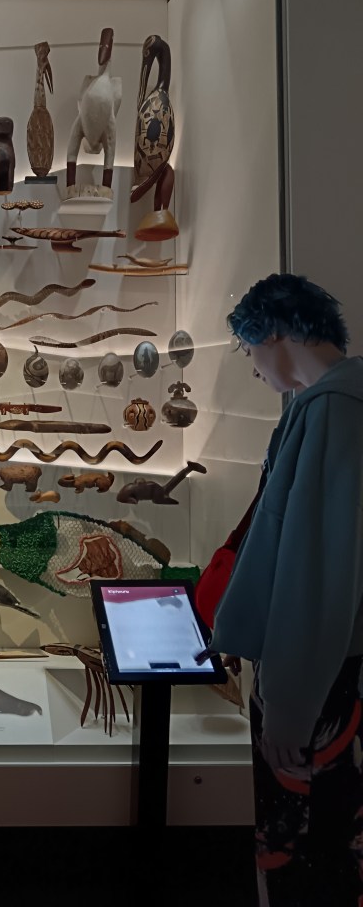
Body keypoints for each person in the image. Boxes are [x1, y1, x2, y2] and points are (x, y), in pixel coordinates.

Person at [209, 273, 363, 906]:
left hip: (324, 684)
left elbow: (316, 568)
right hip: (331, 672)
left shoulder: (333, 409)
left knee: (306, 854)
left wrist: (290, 703)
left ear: (273, 333)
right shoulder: (326, 404)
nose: (253, 366)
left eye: (249, 347)